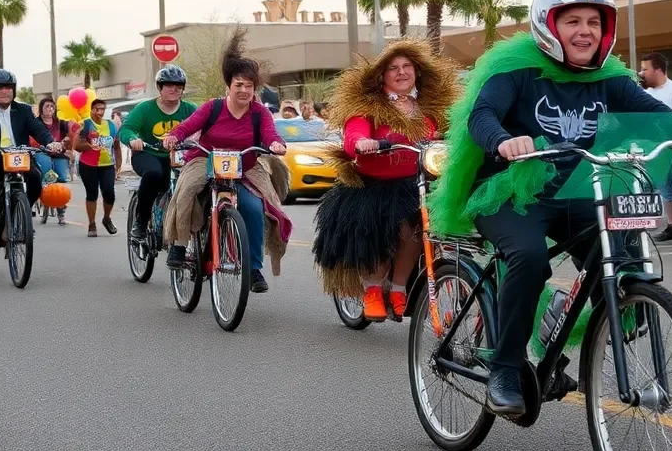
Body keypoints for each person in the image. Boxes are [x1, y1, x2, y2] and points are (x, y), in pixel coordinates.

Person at [428, 0, 672, 416]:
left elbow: (652, 110)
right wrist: (503, 140)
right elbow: (482, 115)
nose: (585, 31)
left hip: (580, 187)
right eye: (574, 21)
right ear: (549, 25)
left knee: (619, 255)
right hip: (510, 192)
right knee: (528, 258)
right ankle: (505, 367)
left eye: (594, 23)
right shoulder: (516, 68)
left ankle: (592, 321)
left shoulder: (607, 77)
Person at [312, 40, 459, 320]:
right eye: (393, 68)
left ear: (416, 71)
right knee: (380, 230)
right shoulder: (369, 106)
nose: (401, 72)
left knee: (416, 231)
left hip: (415, 184)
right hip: (374, 187)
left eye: (406, 66)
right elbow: (354, 133)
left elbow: (449, 130)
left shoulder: (428, 108)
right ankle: (373, 290)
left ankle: (399, 288)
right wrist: (363, 142)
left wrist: (448, 139)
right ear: (382, 75)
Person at [162, 31, 290, 292]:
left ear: (255, 89)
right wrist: (174, 136)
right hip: (205, 160)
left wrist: (276, 144)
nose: (244, 90)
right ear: (228, 86)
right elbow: (187, 127)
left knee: (256, 208)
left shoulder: (260, 112)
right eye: (238, 85)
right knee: (186, 189)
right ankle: (178, 245)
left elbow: (270, 134)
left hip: (245, 165)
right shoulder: (213, 107)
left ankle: (254, 268)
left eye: (249, 86)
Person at [0, 70, 59, 248]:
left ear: (13, 89)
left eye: (8, 87)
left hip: (18, 157)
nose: (3, 91)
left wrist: (51, 143)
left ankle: (18, 213)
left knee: (36, 179)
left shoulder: (23, 110)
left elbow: (39, 129)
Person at [120, 65, 197, 243]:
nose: (174, 89)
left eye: (178, 86)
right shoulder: (145, 109)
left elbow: (206, 126)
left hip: (179, 157)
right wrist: (133, 139)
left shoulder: (190, 109)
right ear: (160, 87)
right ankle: (141, 221)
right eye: (169, 85)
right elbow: (126, 129)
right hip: (148, 154)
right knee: (154, 174)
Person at [640, 52, 672, 241]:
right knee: (665, 188)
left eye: (645, 69)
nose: (641, 73)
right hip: (654, 148)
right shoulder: (644, 93)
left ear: (658, 69)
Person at [74, 98, 121, 237]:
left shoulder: (111, 126)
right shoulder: (85, 124)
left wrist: (118, 164)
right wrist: (89, 145)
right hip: (88, 165)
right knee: (92, 193)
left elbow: (116, 146)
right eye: (97, 109)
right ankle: (92, 224)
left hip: (107, 165)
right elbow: (76, 146)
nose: (99, 112)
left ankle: (107, 219)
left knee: (109, 194)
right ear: (91, 110)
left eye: (102, 109)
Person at [32, 95, 71, 225]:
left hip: (59, 154)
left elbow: (70, 136)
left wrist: (67, 141)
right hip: (42, 152)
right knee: (47, 174)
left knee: (60, 180)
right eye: (47, 106)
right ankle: (43, 197)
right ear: (41, 109)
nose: (50, 109)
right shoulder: (35, 123)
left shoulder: (61, 123)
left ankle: (61, 211)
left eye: (52, 107)